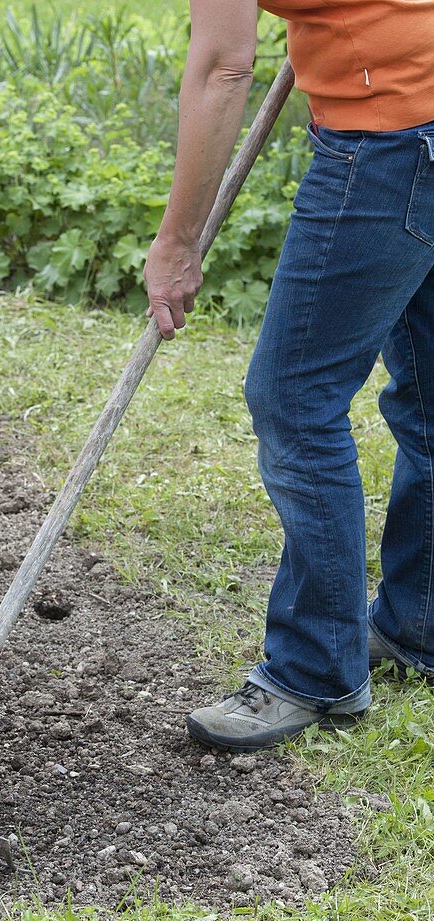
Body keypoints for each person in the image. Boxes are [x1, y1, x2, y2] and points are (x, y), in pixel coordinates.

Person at [143, 0, 434, 751]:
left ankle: (315, 670)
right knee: (431, 400)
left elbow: (221, 66)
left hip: (389, 143)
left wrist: (177, 242)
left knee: (295, 397)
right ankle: (417, 624)